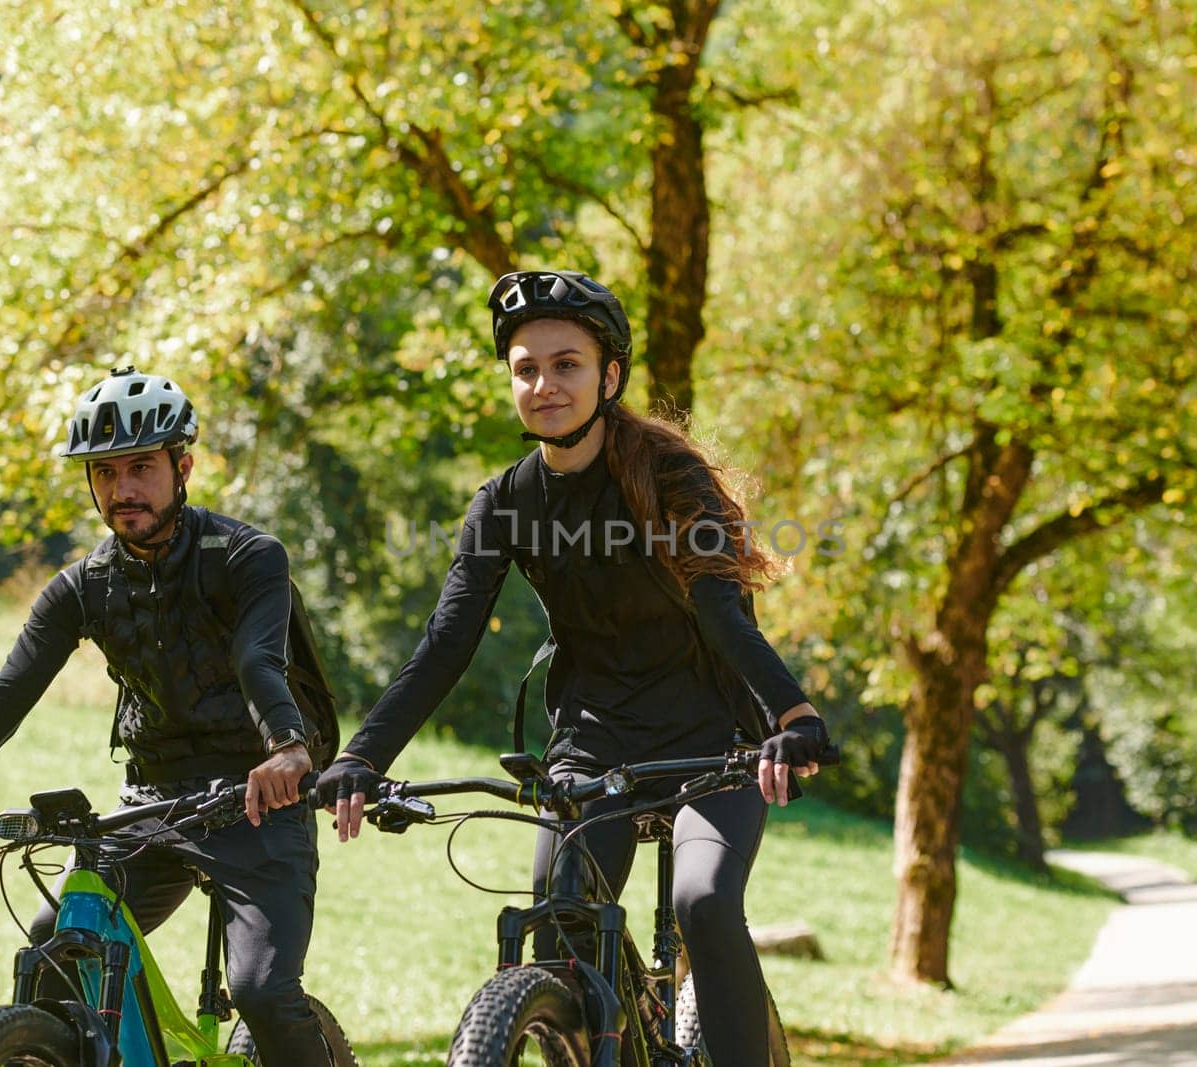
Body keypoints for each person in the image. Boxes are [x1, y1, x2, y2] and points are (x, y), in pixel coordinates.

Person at [316, 269, 832, 1064]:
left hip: (713, 741)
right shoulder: (505, 503)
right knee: (561, 924)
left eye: (567, 365)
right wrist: (361, 756)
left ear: (609, 376)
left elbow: (723, 613)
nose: (544, 384)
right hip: (593, 745)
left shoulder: (669, 476)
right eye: (526, 368)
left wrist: (792, 718)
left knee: (703, 900)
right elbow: (447, 642)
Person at [0, 367, 333, 1065]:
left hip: (257, 797)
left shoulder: (248, 556)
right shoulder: (84, 586)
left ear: (183, 465)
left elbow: (260, 660)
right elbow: (7, 691)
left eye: (141, 466)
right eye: (105, 472)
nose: (123, 488)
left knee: (260, 992)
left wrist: (287, 746)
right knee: (54, 958)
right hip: (152, 803)